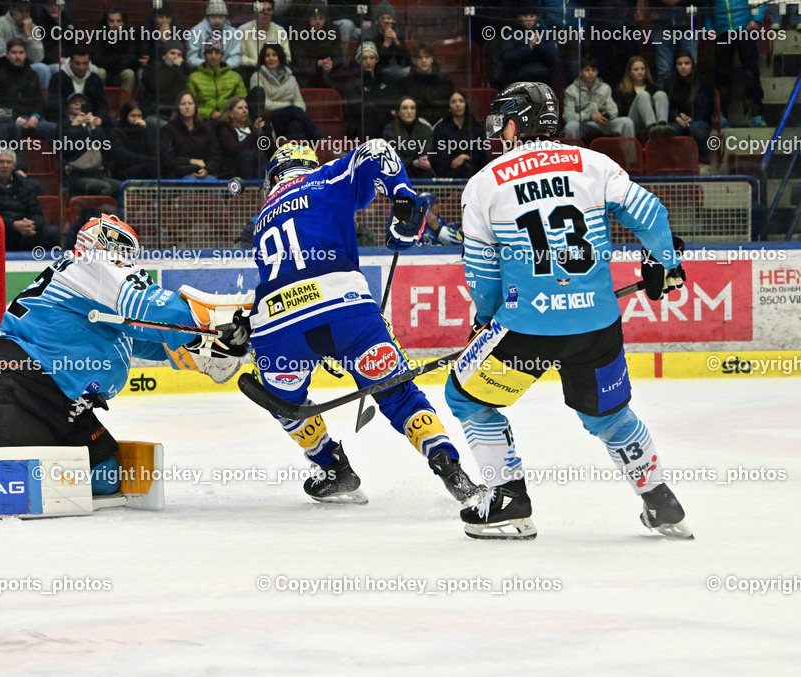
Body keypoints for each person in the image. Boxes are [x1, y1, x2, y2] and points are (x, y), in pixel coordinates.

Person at [447, 82, 691, 540]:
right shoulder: (593, 164)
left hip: (526, 329)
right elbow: (652, 216)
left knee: (467, 396)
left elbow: (481, 273)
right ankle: (660, 500)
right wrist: (665, 264)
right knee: (609, 416)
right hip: (596, 324)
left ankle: (507, 502)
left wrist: (485, 320)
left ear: (516, 123)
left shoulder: (484, 183)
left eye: (503, 119)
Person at [246, 141, 484, 506]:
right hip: (348, 313)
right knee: (399, 395)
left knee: (283, 402)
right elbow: (377, 150)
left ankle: (332, 468)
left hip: (278, 328)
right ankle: (451, 469)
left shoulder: (262, 217)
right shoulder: (325, 179)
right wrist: (402, 198)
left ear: (275, 175)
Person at [0, 215, 251, 496]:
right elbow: (159, 310)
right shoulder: (92, 264)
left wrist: (199, 344)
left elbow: (149, 337)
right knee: (16, 487)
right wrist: (217, 326)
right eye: (122, 250)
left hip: (56, 399)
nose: (126, 260)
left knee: (105, 477)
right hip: (14, 385)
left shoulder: (88, 287)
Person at [0, 148, 60, 251]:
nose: (5, 165)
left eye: (9, 162)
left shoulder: (25, 184)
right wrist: (12, 225)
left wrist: (31, 224)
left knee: (52, 232)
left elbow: (37, 213)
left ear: (14, 165)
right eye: (1, 162)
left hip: (22, 229)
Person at [706, 0, 766, 127]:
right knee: (721, 75)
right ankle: (721, 115)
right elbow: (707, 7)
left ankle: (756, 115)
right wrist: (709, 29)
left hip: (745, 29)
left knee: (751, 73)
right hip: (721, 32)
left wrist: (756, 19)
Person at [0, 38, 58, 141]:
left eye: (21, 52)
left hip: (31, 120)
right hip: (9, 121)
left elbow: (39, 100)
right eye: (14, 52)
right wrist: (16, 119)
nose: (17, 56)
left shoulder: (32, 74)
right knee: (13, 129)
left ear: (25, 55)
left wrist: (36, 116)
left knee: (54, 128)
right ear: (7, 54)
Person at [249, 43, 321, 141]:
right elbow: (263, 103)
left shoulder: (291, 78)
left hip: (290, 119)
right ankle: (320, 142)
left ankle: (298, 155)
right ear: (263, 59)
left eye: (274, 55)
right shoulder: (256, 77)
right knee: (293, 110)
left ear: (280, 57)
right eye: (267, 55)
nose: (271, 58)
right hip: (270, 119)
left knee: (295, 126)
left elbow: (300, 102)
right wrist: (288, 107)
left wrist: (291, 110)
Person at [59, 92, 120, 199]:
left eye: (81, 102)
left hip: (97, 174)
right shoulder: (63, 126)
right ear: (68, 107)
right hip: (75, 175)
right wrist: (74, 127)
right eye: (74, 103)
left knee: (123, 187)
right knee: (104, 187)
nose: (78, 105)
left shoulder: (92, 124)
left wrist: (94, 128)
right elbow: (67, 151)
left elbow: (107, 148)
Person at [562, 57, 634, 142]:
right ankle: (574, 155)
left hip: (603, 124)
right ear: (581, 71)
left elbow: (614, 110)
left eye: (593, 70)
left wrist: (607, 115)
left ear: (597, 72)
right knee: (571, 126)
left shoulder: (605, 88)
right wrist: (590, 117)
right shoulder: (571, 90)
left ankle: (629, 155)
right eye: (587, 70)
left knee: (627, 122)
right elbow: (568, 116)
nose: (590, 73)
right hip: (583, 125)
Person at [665, 51, 714, 173]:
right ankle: (675, 165)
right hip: (675, 120)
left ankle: (703, 164)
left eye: (687, 63)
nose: (683, 67)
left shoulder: (703, 82)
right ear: (675, 66)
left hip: (699, 119)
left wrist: (692, 118)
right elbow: (666, 107)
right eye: (679, 64)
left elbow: (708, 106)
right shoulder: (669, 83)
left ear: (692, 64)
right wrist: (676, 117)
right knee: (673, 130)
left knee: (697, 129)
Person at [0, 0, 50, 88]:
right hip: (2, 66)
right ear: (12, 9)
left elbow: (38, 58)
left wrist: (29, 35)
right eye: (20, 10)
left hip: (24, 66)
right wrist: (17, 64)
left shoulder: (33, 28)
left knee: (43, 69)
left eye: (27, 11)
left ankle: (42, 99)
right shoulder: (0, 24)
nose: (24, 15)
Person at [159, 91, 220, 179]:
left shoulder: (206, 129)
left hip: (205, 172)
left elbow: (215, 156)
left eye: (190, 103)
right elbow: (167, 158)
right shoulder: (168, 130)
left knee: (212, 182)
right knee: (190, 181)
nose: (187, 107)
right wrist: (190, 161)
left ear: (195, 106)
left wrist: (207, 169)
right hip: (179, 174)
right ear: (178, 107)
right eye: (183, 104)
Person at [46, 47, 111, 127]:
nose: (81, 68)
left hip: (90, 120)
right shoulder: (58, 78)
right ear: (70, 62)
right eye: (77, 63)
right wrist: (71, 122)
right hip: (65, 122)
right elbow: (55, 107)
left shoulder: (95, 79)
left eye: (85, 63)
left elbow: (102, 105)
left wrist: (99, 118)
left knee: (111, 125)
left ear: (89, 63)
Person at [613, 56, 673, 141]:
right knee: (643, 95)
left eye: (642, 69)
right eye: (636, 69)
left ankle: (662, 126)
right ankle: (651, 127)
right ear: (630, 72)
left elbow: (663, 106)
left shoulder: (653, 87)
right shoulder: (623, 90)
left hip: (656, 121)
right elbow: (620, 112)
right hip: (633, 122)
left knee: (661, 94)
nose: (640, 72)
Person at [187, 36, 247, 119]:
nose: (213, 56)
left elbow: (242, 103)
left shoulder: (235, 77)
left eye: (217, 53)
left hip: (230, 120)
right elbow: (189, 105)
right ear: (204, 55)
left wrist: (224, 114)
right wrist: (209, 113)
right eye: (209, 52)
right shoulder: (194, 78)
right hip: (204, 121)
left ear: (222, 55)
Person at [432, 91, 487, 179]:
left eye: (461, 101)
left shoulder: (476, 128)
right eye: (453, 102)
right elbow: (439, 157)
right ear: (449, 106)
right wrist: (453, 161)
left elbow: (481, 155)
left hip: (473, 173)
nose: (458, 105)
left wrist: (465, 157)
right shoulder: (441, 128)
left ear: (466, 104)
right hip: (449, 175)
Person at [396, 43, 453, 127]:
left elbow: (450, 103)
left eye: (427, 57)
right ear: (414, 60)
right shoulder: (406, 82)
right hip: (415, 125)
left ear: (432, 59)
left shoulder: (444, 80)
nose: (423, 60)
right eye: (420, 58)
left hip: (442, 123)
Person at [498, 9, 559, 87]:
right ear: (520, 17)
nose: (529, 19)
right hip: (519, 83)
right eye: (525, 16)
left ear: (536, 17)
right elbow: (506, 58)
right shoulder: (511, 35)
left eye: (532, 16)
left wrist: (537, 46)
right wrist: (528, 48)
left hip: (543, 83)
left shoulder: (546, 35)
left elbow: (554, 58)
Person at [215, 96, 271, 179]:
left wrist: (263, 131)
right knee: (248, 155)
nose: (244, 111)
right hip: (234, 171)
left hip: (256, 167)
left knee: (260, 154)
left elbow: (267, 148)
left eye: (246, 108)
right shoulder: (225, 129)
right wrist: (254, 133)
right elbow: (235, 149)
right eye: (240, 108)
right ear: (231, 113)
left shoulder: (252, 128)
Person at [290, 0, 341, 89]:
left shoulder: (333, 30)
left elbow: (338, 55)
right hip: (307, 72)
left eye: (321, 17)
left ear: (325, 18)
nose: (317, 21)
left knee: (341, 74)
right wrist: (317, 63)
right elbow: (298, 60)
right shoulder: (298, 31)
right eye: (314, 17)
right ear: (308, 18)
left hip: (328, 70)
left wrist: (331, 64)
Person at [381, 96, 434, 178]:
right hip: (397, 175)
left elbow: (427, 153)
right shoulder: (389, 131)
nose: (409, 111)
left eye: (412, 108)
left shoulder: (425, 129)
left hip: (421, 174)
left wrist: (421, 161)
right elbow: (392, 158)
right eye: (405, 108)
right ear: (398, 112)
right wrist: (413, 163)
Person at [186, 0, 242, 70]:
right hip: (202, 71)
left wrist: (222, 67)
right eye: (213, 17)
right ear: (207, 18)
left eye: (220, 17)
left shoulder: (233, 33)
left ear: (226, 18)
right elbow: (191, 58)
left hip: (227, 71)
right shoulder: (196, 31)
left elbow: (236, 57)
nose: (217, 20)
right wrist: (210, 66)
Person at [113, 101, 159, 180]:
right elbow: (122, 154)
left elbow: (152, 149)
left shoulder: (145, 130)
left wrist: (144, 131)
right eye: (133, 116)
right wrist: (144, 158)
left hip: (144, 164)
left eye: (139, 116)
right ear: (125, 116)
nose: (137, 119)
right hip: (125, 168)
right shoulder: (117, 131)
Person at [359, 0, 408, 74]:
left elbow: (406, 62)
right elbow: (371, 63)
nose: (386, 21)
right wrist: (386, 44)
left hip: (389, 70)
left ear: (393, 20)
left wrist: (397, 42)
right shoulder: (369, 34)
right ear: (377, 21)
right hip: (371, 72)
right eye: (383, 18)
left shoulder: (397, 33)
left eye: (389, 18)